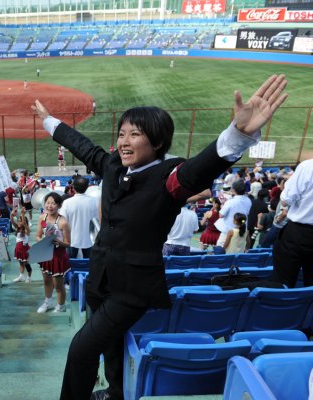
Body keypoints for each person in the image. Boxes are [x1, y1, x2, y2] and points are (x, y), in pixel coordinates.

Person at [32, 74, 288, 400]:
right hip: (101, 278)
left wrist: (237, 134)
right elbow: (84, 147)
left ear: (157, 143)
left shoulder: (169, 176)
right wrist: (50, 122)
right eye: (122, 133)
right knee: (111, 342)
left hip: (132, 289)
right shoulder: (113, 164)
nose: (124, 141)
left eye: (135, 134)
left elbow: (199, 170)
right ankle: (114, 391)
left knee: (81, 349)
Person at [272, 158, 313, 287]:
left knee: (283, 285)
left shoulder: (308, 166)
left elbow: (285, 200)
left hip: (298, 234)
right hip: (299, 233)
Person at [36, 192, 70, 313]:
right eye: (48, 203)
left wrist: (59, 243)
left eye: (53, 203)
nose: (50, 206)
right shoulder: (42, 217)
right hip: (45, 254)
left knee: (58, 284)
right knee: (46, 280)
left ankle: (61, 306)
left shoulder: (63, 222)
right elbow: (37, 236)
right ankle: (47, 302)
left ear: (59, 205)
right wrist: (44, 241)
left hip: (58, 257)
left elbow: (68, 243)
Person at [60, 176, 99, 259]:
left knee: (70, 264)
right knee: (89, 265)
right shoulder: (95, 201)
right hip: (90, 240)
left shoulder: (67, 203)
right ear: (87, 187)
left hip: (71, 239)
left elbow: (62, 222)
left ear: (73, 188)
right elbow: (98, 220)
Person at [215, 179, 252, 250]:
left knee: (221, 250)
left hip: (229, 230)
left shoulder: (230, 202)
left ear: (233, 190)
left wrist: (223, 205)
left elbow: (221, 215)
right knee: (238, 251)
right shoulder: (248, 200)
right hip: (242, 230)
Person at [10, 207, 32, 283]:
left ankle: (29, 277)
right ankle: (21, 276)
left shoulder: (27, 230)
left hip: (25, 249)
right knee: (21, 263)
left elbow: (25, 224)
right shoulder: (17, 228)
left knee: (26, 264)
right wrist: (12, 214)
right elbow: (12, 221)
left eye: (20, 221)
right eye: (18, 221)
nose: (19, 222)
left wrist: (22, 214)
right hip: (18, 249)